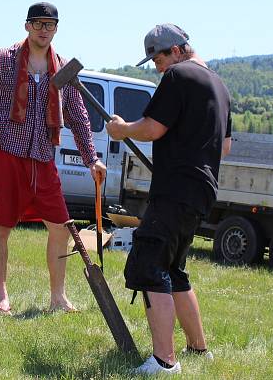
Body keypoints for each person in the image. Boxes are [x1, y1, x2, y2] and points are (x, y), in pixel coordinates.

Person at [0, 1, 107, 315]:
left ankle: (58, 298)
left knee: (61, 227)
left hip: (42, 156)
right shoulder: (2, 60)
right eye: (37, 24)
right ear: (27, 26)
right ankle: (1, 295)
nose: (43, 30)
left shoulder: (62, 69)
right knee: (2, 227)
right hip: (5, 153)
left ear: (56, 29)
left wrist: (91, 159)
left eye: (49, 25)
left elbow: (77, 117)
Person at [106, 23, 232, 376]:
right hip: (202, 190)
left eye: (159, 57)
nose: (157, 66)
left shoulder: (178, 76)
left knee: (148, 265)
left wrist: (122, 129)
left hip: (175, 189)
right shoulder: (219, 87)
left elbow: (153, 127)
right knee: (173, 268)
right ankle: (198, 349)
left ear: (177, 50)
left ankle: (164, 362)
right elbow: (225, 146)